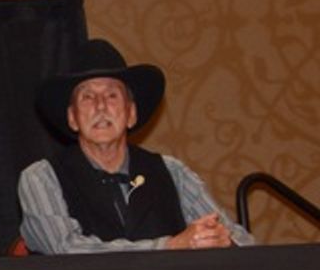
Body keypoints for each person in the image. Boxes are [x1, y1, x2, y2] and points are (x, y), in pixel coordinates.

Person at [19, 38, 254, 254]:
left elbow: (242, 240)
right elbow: (66, 249)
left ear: (131, 114)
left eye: (112, 96)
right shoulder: (41, 177)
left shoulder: (172, 171)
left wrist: (222, 239)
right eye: (88, 97)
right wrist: (169, 245)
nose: (100, 106)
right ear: (72, 118)